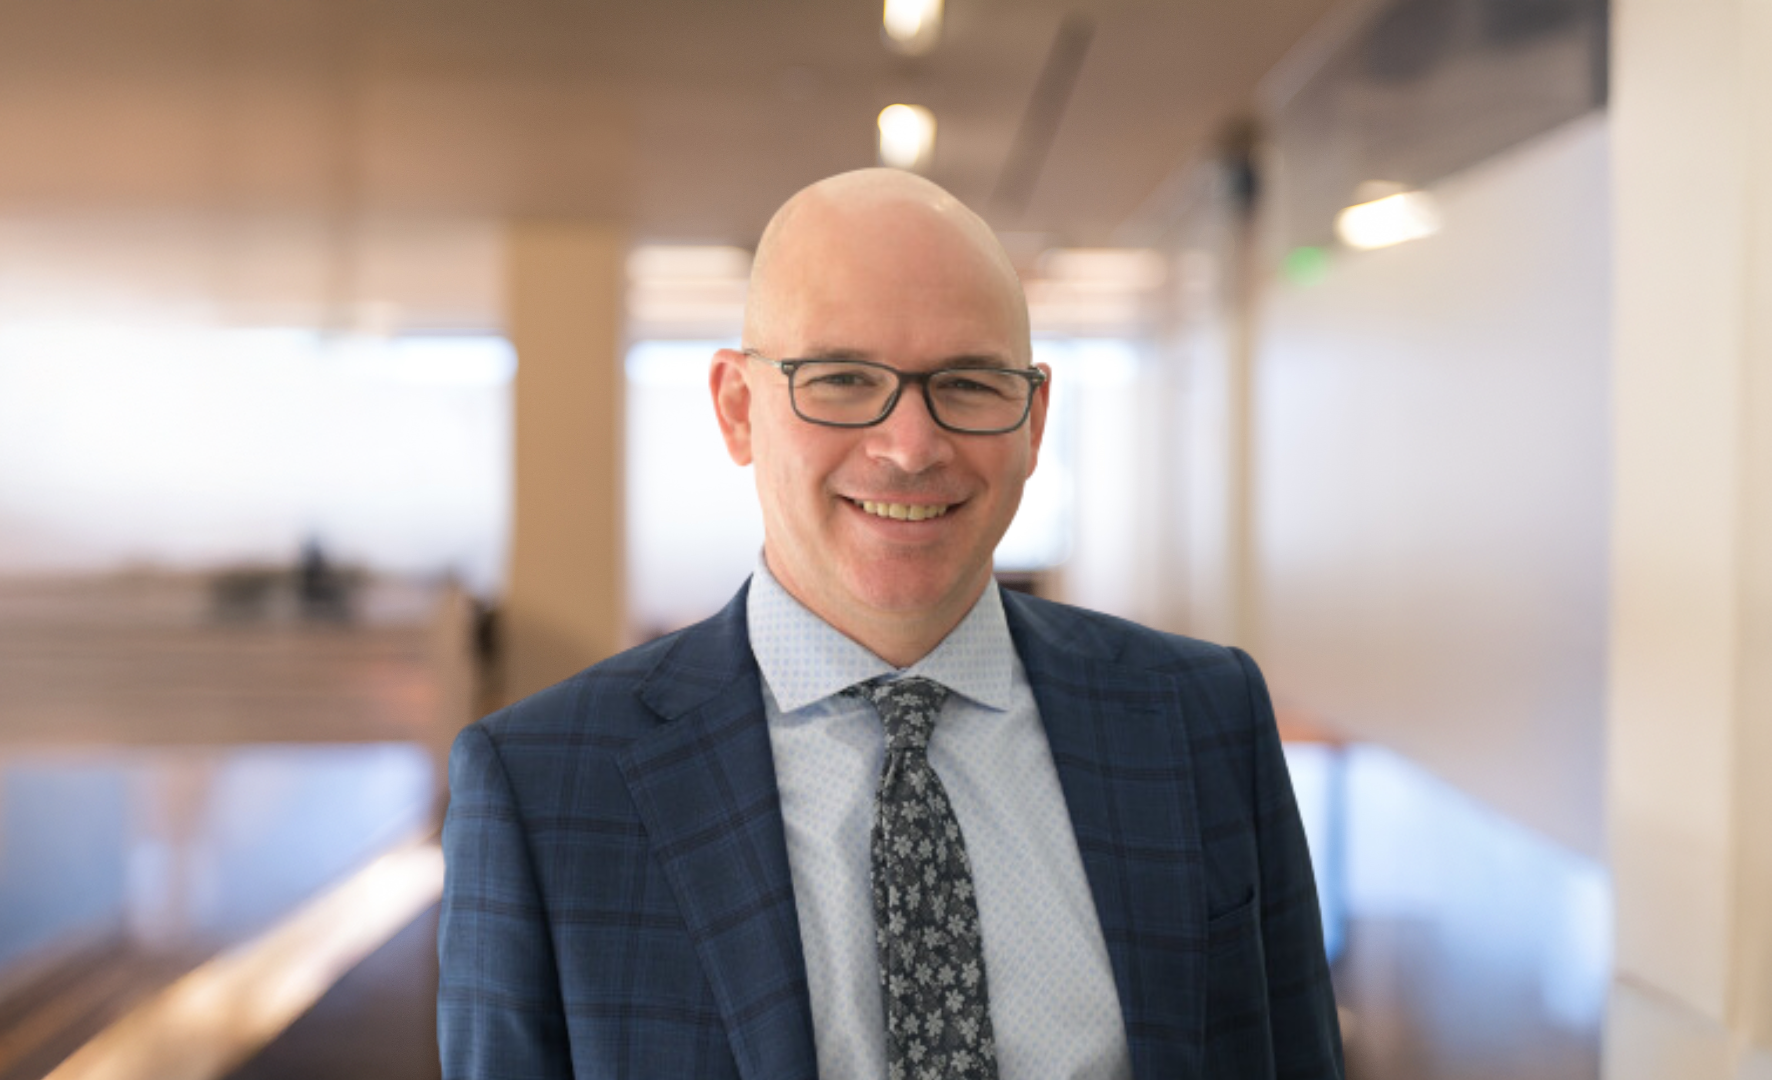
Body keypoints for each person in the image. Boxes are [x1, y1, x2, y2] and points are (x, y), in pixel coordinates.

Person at [438, 169, 1344, 1080]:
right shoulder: (547, 788)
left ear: (1033, 419)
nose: (911, 446)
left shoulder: (1202, 719)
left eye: (970, 382)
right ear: (738, 407)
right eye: (840, 378)